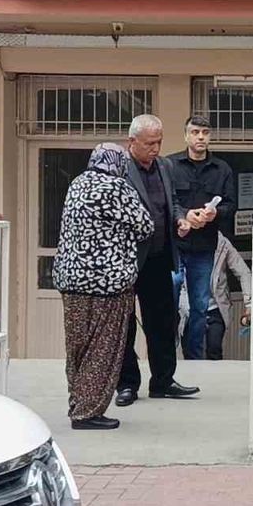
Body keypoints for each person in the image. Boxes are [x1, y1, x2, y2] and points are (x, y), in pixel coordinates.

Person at [52, 143, 153, 430]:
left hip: (71, 282)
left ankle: (78, 404)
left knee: (78, 347)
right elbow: (145, 225)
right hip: (107, 285)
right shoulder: (117, 188)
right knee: (103, 349)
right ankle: (88, 412)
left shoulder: (77, 184)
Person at [117, 114, 200, 406]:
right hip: (127, 259)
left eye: (159, 142)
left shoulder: (165, 166)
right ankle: (127, 384)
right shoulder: (119, 168)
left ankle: (163, 381)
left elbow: (172, 202)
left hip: (160, 255)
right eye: (149, 143)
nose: (155, 148)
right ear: (132, 142)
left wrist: (181, 219)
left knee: (162, 322)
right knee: (124, 325)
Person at [168, 116, 236, 360]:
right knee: (170, 293)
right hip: (175, 244)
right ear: (186, 135)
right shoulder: (170, 165)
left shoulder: (222, 169)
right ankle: (167, 352)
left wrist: (215, 214)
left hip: (204, 247)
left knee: (200, 305)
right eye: (195, 132)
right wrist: (184, 216)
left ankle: (193, 358)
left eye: (205, 132)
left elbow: (230, 205)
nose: (200, 137)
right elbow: (166, 202)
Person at [204, 233, 252, 361]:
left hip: (216, 307)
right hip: (190, 307)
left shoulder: (222, 242)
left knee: (214, 349)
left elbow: (243, 272)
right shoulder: (183, 236)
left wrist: (249, 304)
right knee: (192, 352)